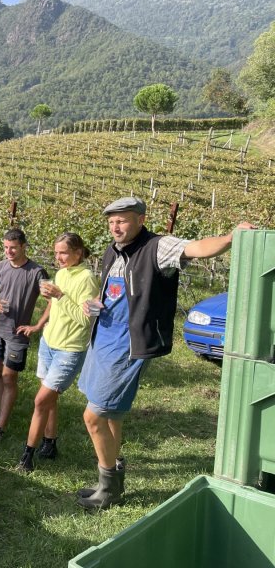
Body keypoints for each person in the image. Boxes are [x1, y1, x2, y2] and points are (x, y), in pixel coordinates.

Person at [76, 197, 254, 510]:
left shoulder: (158, 246)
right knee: (113, 415)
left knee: (93, 416)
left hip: (128, 344)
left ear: (140, 219)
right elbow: (110, 290)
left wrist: (230, 237)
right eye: (111, 221)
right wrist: (91, 301)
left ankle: (109, 488)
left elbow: (197, 248)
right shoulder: (112, 250)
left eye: (123, 220)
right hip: (102, 338)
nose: (115, 227)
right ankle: (109, 482)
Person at [17, 233, 99, 472]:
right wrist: (40, 323)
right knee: (50, 400)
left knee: (41, 400)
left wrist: (60, 295)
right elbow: (54, 305)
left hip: (70, 349)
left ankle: (26, 456)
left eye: (63, 253)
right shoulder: (62, 273)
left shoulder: (89, 279)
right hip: (49, 343)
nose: (59, 257)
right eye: (56, 253)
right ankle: (50, 444)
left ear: (78, 252)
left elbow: (86, 320)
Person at [0, 228, 50, 444]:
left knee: (9, 376)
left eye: (13, 247)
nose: (8, 251)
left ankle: (0, 427)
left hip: (17, 333)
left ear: (23, 246)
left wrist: (38, 325)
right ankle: (1, 411)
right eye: (5, 247)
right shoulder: (1, 267)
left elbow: (52, 299)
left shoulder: (36, 272)